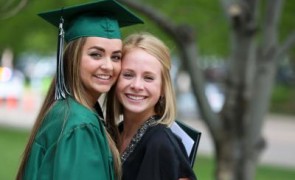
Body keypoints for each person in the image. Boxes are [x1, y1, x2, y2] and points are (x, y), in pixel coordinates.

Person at [16, 1, 143, 180]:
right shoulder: (81, 127)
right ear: (72, 57)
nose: (108, 66)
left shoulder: (64, 110)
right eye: (96, 54)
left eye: (116, 57)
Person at [105, 32, 197, 180]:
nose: (136, 85)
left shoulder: (161, 144)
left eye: (148, 78)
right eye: (128, 74)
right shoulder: (116, 133)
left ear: (162, 88)